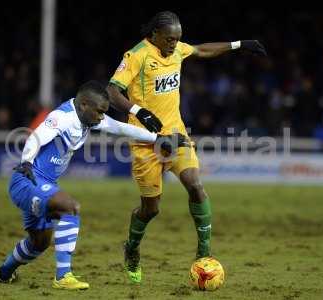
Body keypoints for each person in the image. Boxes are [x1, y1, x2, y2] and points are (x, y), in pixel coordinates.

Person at [106, 11, 267, 283]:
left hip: (175, 136)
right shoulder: (136, 56)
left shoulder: (178, 49)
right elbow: (111, 91)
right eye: (169, 39)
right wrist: (138, 110)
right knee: (151, 209)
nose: (174, 44)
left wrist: (239, 44)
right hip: (145, 142)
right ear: (155, 34)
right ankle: (131, 249)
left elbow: (202, 50)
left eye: (177, 39)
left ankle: (204, 253)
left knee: (195, 184)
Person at [0, 81, 188, 290]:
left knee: (40, 242)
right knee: (70, 208)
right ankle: (63, 276)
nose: (102, 117)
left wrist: (158, 138)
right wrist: (27, 161)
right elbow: (36, 138)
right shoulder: (62, 117)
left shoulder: (89, 118)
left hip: (42, 184)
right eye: (100, 112)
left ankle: (3, 272)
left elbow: (120, 128)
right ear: (84, 105)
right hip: (27, 180)